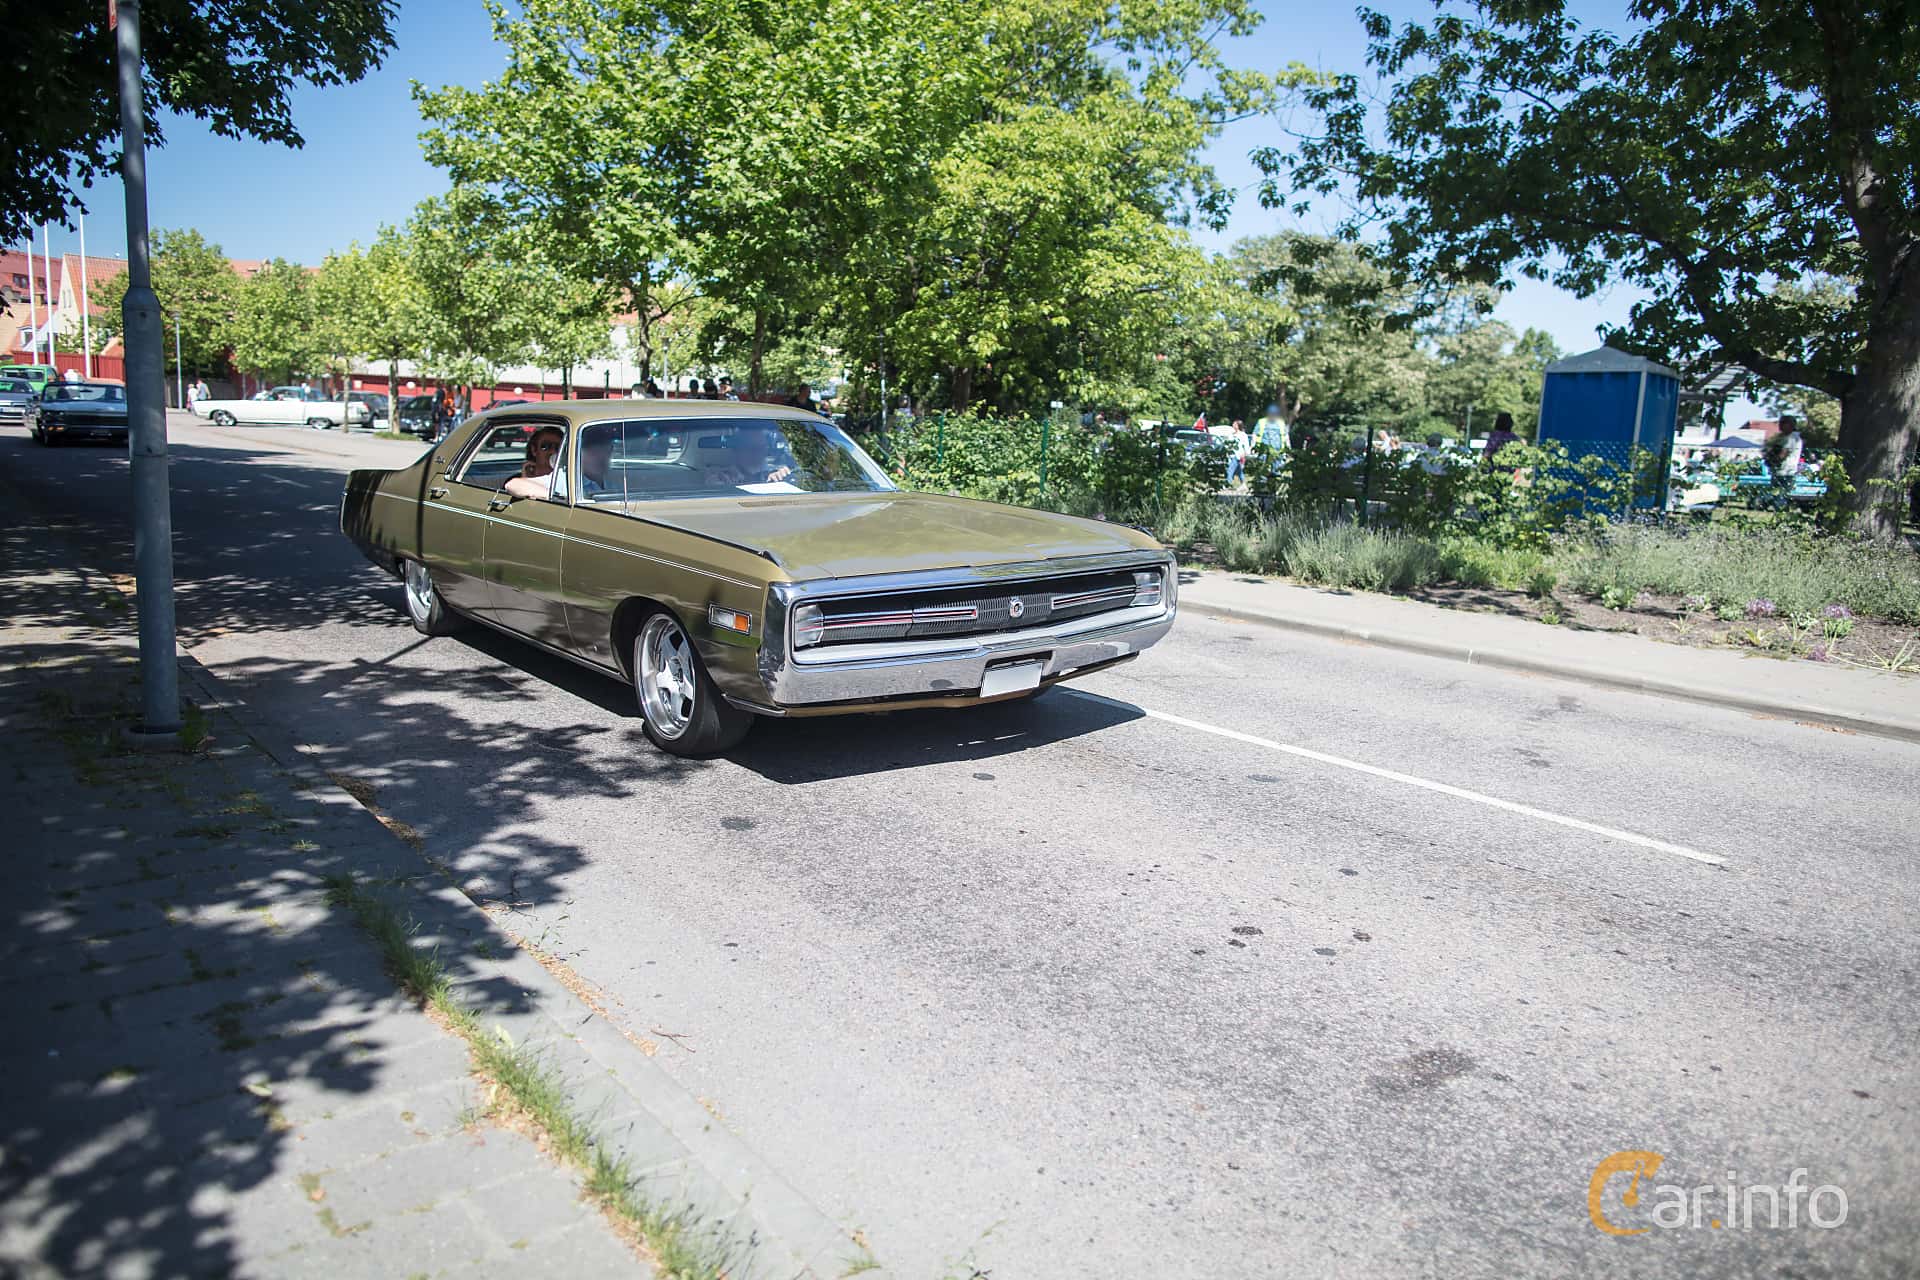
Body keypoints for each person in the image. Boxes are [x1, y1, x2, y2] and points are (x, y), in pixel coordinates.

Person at [703, 423, 794, 486]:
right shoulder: (721, 477)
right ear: (737, 450)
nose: (758, 453)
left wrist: (781, 478)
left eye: (762, 448)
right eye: (752, 448)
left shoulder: (774, 471)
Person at [503, 426, 564, 500]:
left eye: (558, 447)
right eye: (545, 446)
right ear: (534, 450)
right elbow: (512, 485)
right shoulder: (516, 479)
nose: (553, 452)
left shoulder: (565, 478)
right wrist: (554, 497)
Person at [578, 425, 617, 499]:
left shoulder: (615, 482)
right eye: (593, 451)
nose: (600, 457)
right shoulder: (573, 486)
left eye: (605, 451)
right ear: (579, 453)